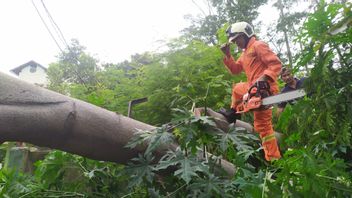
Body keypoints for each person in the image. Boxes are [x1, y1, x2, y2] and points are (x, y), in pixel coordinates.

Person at [219, 21, 282, 161]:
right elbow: (235, 70)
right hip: (253, 87)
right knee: (237, 89)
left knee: (263, 127)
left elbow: (276, 64)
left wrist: (263, 79)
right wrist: (228, 55)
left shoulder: (258, 45)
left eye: (237, 39)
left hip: (265, 89)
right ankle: (233, 113)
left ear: (246, 34)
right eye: (234, 41)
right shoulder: (245, 53)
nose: (236, 43)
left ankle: (274, 160)